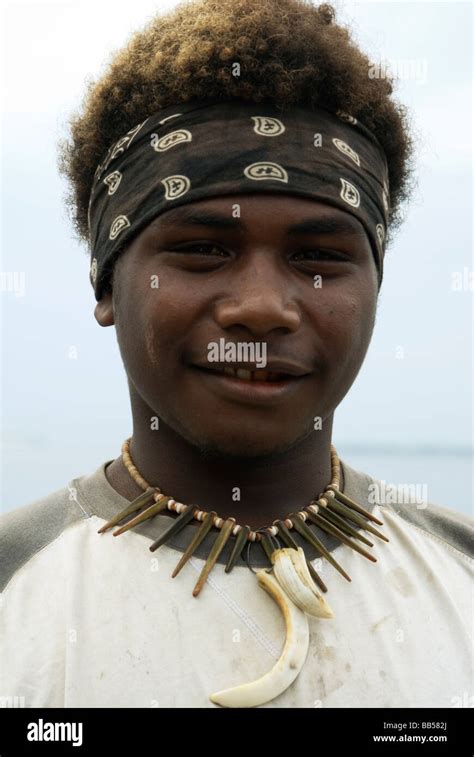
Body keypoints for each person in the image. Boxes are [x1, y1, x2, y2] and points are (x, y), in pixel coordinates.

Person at [1, 0, 472, 709]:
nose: (262, 306)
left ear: (376, 288)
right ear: (106, 285)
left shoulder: (459, 574)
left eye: (318, 257)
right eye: (201, 250)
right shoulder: (16, 585)